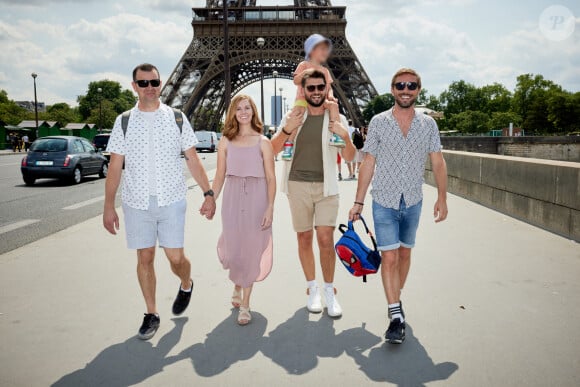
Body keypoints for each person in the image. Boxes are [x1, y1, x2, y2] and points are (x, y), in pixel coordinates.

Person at [103, 63, 216, 341]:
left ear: (161, 83)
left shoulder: (177, 118)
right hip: (136, 201)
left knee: (175, 258)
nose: (150, 87)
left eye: (154, 82)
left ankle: (186, 283)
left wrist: (208, 193)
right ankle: (151, 313)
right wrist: (108, 206)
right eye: (143, 83)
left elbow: (193, 158)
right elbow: (115, 166)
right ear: (135, 87)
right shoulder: (124, 121)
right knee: (145, 256)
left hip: (171, 198)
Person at [349, 68, 448, 344]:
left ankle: (396, 298)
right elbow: (368, 162)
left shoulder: (428, 125)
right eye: (400, 85)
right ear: (392, 89)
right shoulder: (379, 122)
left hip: (413, 200)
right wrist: (358, 201)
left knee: (404, 254)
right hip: (384, 200)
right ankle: (395, 315)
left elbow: (438, 162)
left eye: (412, 86)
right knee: (389, 258)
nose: (406, 90)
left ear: (418, 90)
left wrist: (443, 197)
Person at [271, 69, 356, 317]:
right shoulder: (294, 114)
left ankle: (329, 290)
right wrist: (288, 129)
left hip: (327, 187)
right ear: (304, 90)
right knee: (304, 239)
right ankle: (312, 288)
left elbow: (350, 157)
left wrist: (344, 136)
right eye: (311, 88)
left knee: (325, 240)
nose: (317, 92)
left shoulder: (336, 118)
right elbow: (274, 149)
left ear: (326, 89)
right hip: (297, 185)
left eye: (321, 87)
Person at [211, 95, 276, 326]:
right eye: (238, 108)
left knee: (250, 250)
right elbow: (219, 176)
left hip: (257, 198)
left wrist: (270, 207)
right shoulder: (225, 142)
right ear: (233, 113)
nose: (243, 112)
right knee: (234, 248)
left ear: (253, 111)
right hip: (232, 197)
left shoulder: (263, 142)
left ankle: (246, 304)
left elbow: (270, 177)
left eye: (247, 107)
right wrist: (210, 198)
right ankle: (237, 284)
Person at [282, 34, 343, 161]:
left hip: (320, 100)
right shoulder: (303, 65)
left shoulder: (324, 70)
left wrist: (331, 97)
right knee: (297, 116)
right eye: (321, 48)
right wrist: (305, 73)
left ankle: (336, 135)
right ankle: (289, 144)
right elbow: (296, 81)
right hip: (303, 99)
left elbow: (329, 87)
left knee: (333, 106)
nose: (324, 52)